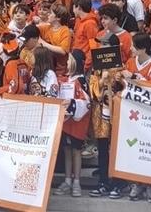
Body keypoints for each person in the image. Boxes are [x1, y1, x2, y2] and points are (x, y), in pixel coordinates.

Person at [88, 34, 125, 199]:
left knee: (116, 149)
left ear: (113, 48)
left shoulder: (121, 68)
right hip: (100, 115)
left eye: (105, 44)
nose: (101, 47)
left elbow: (127, 90)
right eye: (101, 44)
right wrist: (102, 81)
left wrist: (119, 81)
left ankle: (117, 183)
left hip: (116, 116)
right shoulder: (96, 68)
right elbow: (93, 90)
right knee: (102, 149)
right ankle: (103, 182)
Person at [54, 52, 90, 199]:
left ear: (76, 62)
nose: (67, 63)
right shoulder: (66, 79)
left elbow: (86, 101)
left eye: (69, 60)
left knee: (76, 151)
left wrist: (73, 104)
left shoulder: (81, 80)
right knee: (67, 150)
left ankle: (77, 182)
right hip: (66, 121)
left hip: (77, 122)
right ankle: (67, 180)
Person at [71, 0, 99, 71]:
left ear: (78, 7)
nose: (73, 10)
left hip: (84, 64)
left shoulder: (90, 24)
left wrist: (86, 65)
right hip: (77, 61)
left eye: (73, 7)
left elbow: (94, 47)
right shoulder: (79, 20)